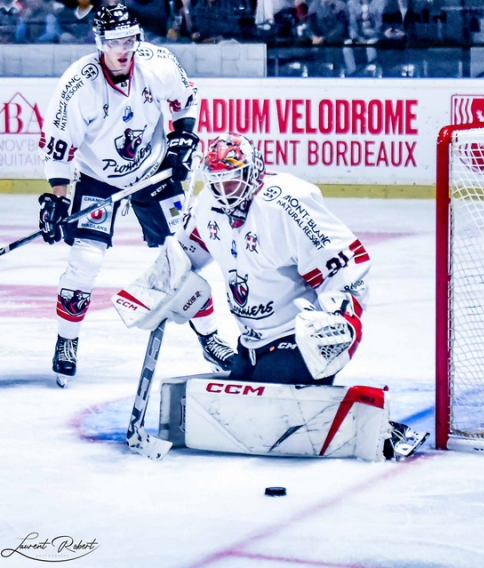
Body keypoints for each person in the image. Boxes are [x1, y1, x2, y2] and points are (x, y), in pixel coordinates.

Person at [37, 3, 235, 387]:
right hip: (98, 177)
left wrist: (181, 139)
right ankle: (66, 341)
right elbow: (59, 146)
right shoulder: (79, 84)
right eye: (114, 41)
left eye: (129, 39)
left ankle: (210, 338)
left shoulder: (157, 62)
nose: (123, 48)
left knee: (181, 256)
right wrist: (59, 198)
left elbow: (185, 100)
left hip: (154, 169)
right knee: (86, 259)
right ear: (100, 42)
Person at [173, 132, 369, 385]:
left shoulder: (287, 205)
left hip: (298, 339)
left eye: (231, 181)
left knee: (270, 418)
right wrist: (161, 285)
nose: (224, 192)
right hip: (250, 343)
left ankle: (386, 427)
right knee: (235, 417)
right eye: (216, 182)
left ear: (253, 172)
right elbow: (183, 258)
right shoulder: (208, 205)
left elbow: (346, 261)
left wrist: (342, 318)